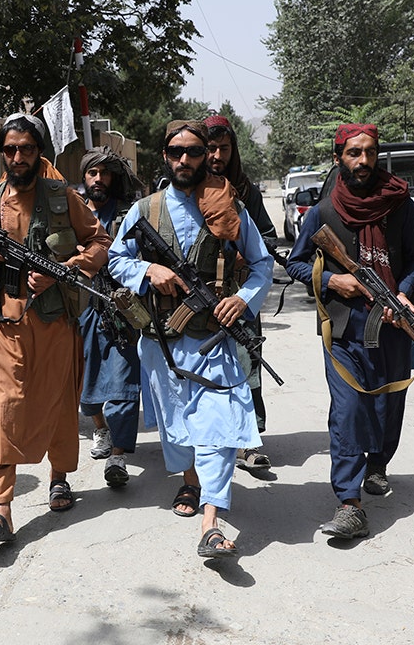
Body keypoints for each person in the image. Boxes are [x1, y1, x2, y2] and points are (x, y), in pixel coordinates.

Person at [107, 120, 274, 559]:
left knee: (217, 425)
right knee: (177, 425)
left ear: (207, 155)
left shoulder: (229, 207)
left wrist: (243, 300)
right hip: (161, 340)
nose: (185, 160)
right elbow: (116, 259)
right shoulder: (145, 209)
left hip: (213, 338)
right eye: (176, 151)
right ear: (165, 155)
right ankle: (189, 483)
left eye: (194, 152)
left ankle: (211, 521)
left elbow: (260, 265)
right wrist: (148, 270)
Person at [0, 113, 111, 543]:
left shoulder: (61, 195)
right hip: (4, 322)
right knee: (1, 409)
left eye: (26, 148)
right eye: (9, 149)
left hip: (53, 321)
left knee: (57, 402)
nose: (17, 156)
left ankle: (59, 477)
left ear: (39, 151)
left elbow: (99, 242)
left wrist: (64, 270)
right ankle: (1, 508)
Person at [285, 123, 414, 541]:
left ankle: (377, 464)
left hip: (393, 324)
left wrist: (403, 292)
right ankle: (349, 502)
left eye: (369, 152)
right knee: (347, 410)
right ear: (338, 158)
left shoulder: (400, 205)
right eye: (353, 153)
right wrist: (331, 282)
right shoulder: (324, 212)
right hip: (344, 330)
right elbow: (295, 264)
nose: (362, 161)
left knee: (387, 406)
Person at [203, 114, 279, 474]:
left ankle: (250, 442)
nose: (216, 155)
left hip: (240, 296)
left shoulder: (246, 191)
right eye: (210, 148)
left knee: (249, 367)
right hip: (198, 298)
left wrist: (244, 256)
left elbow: (268, 237)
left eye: (224, 148)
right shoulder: (186, 188)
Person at [77, 147, 143, 487]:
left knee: (123, 386)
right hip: (80, 309)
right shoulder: (72, 213)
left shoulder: (127, 216)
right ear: (84, 177)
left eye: (104, 173)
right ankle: (100, 430)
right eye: (92, 173)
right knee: (86, 387)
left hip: (120, 314)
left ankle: (117, 456)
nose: (98, 179)